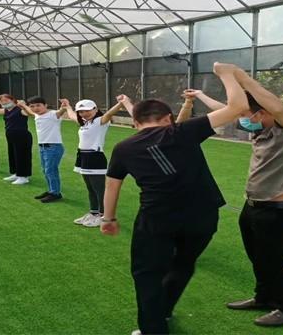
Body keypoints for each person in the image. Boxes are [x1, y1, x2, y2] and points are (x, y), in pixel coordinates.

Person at [101, 63, 248, 335]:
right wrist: (228, 74)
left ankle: (153, 328)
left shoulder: (124, 147)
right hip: (203, 217)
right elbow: (238, 107)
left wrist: (108, 218)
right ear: (169, 118)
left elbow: (112, 185)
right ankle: (164, 310)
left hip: (157, 219)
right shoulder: (184, 131)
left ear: (135, 123)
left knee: (147, 274)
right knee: (183, 264)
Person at [184, 67, 283, 327]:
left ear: (262, 112)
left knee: (275, 262)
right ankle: (264, 297)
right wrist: (200, 95)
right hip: (253, 206)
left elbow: (278, 108)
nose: (242, 120)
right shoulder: (260, 130)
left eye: (245, 115)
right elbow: (226, 109)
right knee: (258, 258)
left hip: (279, 211)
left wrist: (239, 77)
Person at [61, 97, 124, 227]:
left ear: (95, 109)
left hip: (95, 157)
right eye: (81, 111)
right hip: (83, 157)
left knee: (99, 189)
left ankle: (103, 215)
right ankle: (93, 213)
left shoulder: (100, 121)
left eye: (87, 110)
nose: (84, 114)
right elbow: (72, 116)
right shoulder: (85, 123)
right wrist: (67, 106)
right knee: (90, 188)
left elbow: (109, 113)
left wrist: (120, 103)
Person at [17, 96, 67, 203]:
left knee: (50, 170)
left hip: (53, 147)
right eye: (32, 106)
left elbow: (60, 112)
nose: (35, 108)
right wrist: (24, 106)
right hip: (43, 148)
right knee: (46, 170)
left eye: (38, 105)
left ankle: (55, 193)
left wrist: (64, 106)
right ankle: (51, 190)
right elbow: (30, 112)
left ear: (45, 105)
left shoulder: (52, 114)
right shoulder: (37, 115)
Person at [0, 94, 33, 185]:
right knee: (13, 155)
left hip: (22, 136)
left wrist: (24, 105)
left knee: (22, 156)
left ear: (12, 100)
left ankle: (23, 176)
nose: (4, 102)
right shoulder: (6, 110)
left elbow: (30, 113)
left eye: (6, 100)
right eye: (1, 101)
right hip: (11, 136)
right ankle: (16, 173)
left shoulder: (20, 110)